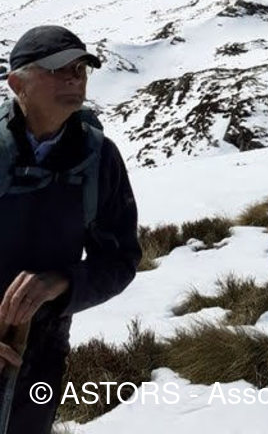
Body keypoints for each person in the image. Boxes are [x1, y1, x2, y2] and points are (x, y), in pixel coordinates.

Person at [0, 25, 141, 434]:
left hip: (42, 349)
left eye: (80, 68)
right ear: (17, 84)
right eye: (58, 69)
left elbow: (120, 259)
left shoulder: (99, 158)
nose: (74, 78)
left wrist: (61, 283)